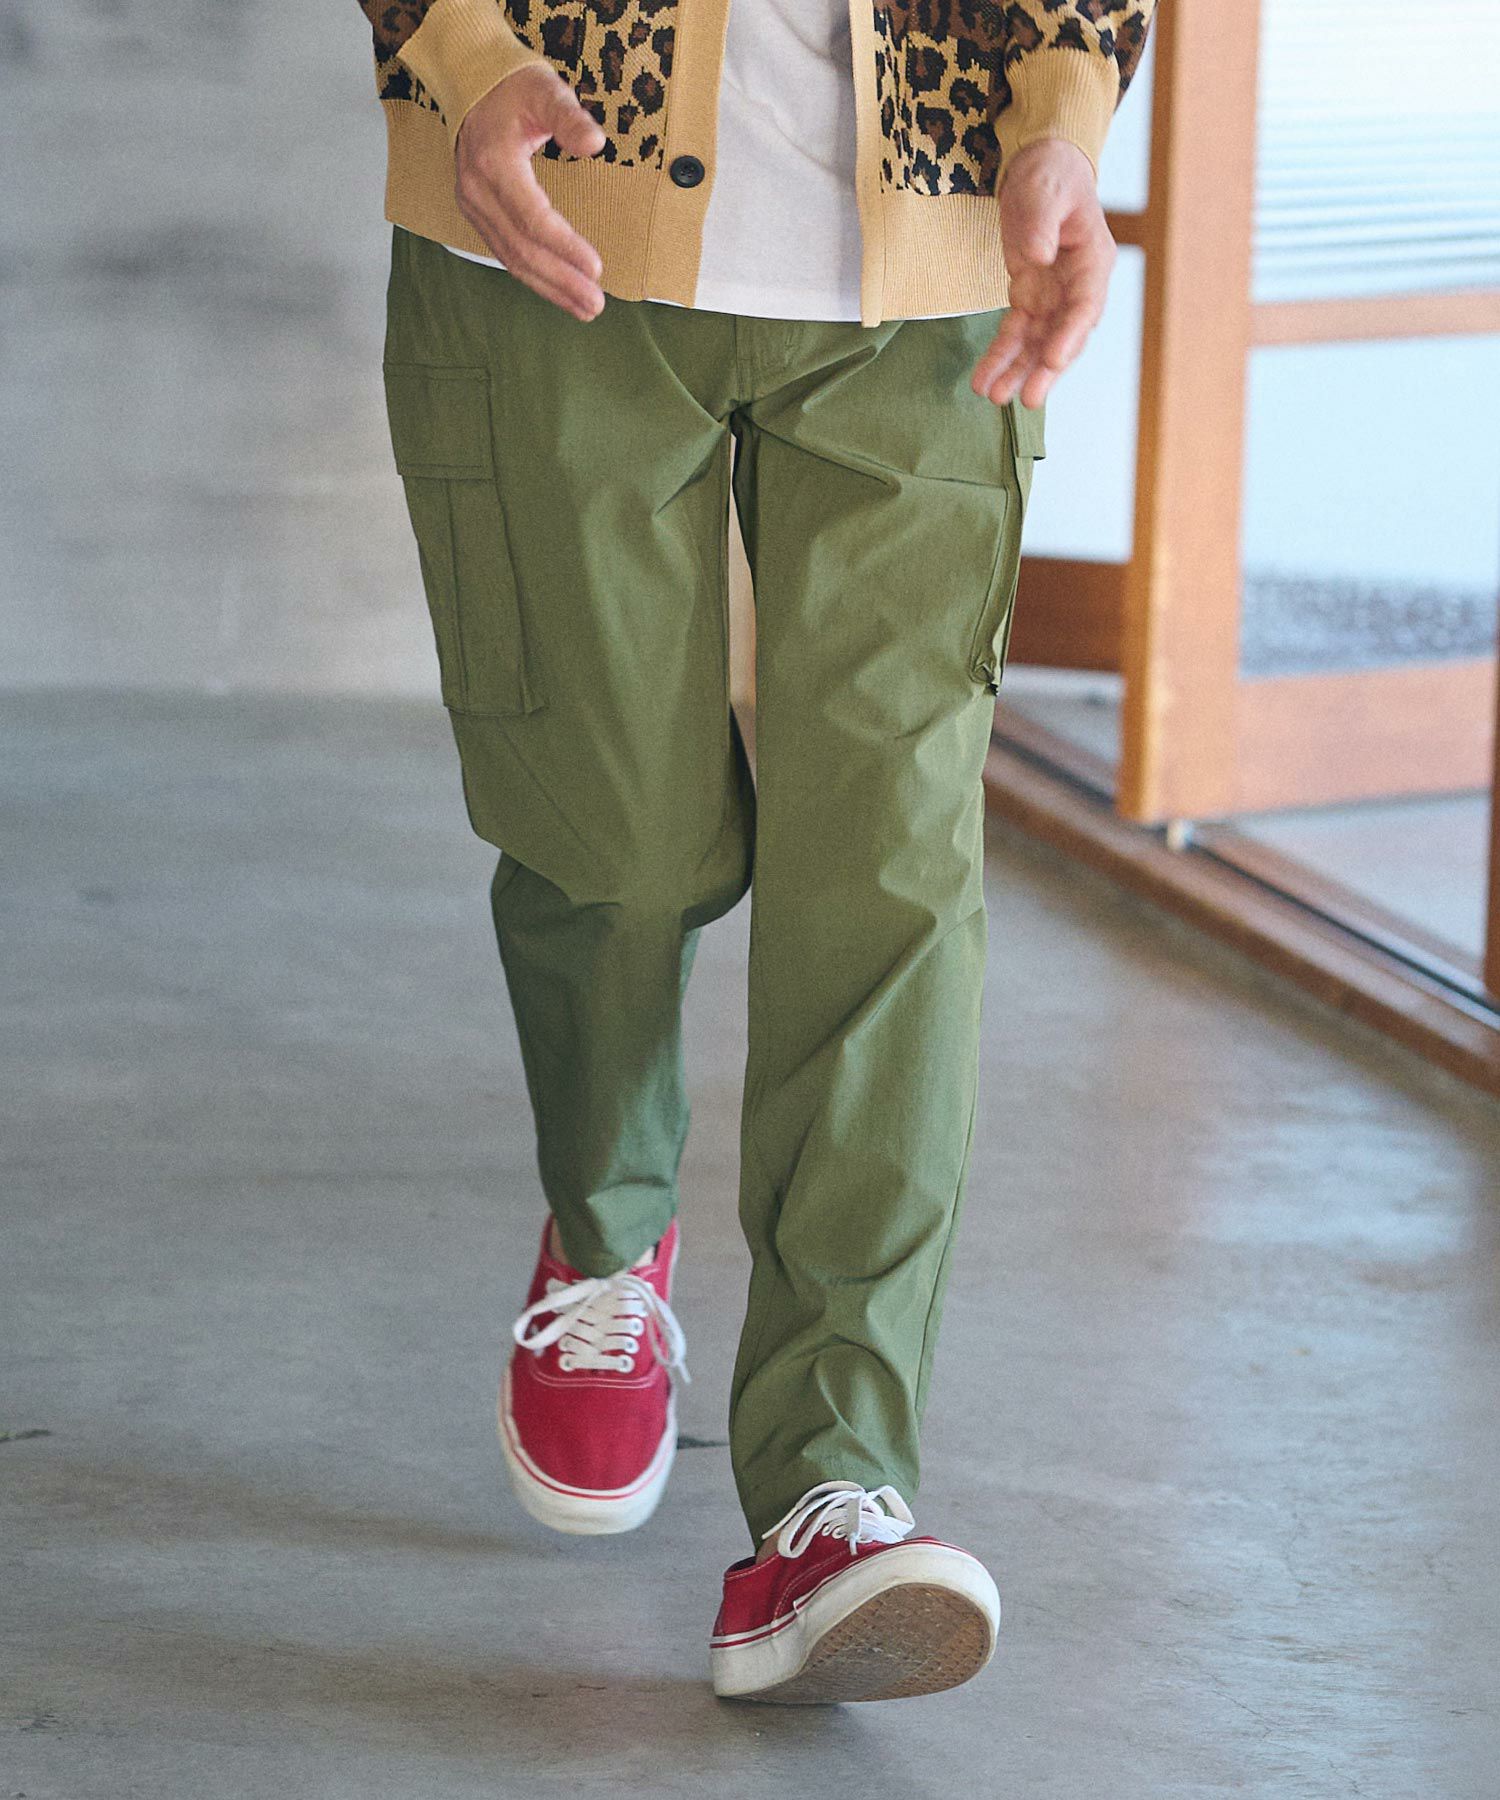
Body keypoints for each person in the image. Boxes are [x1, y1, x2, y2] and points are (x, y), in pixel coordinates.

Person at [356, 0, 1155, 1704]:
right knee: (612, 844)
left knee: (889, 880)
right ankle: (604, 1227)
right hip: (554, 224)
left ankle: (831, 1493)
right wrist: (466, 57)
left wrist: (1063, 112)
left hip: (928, 254)